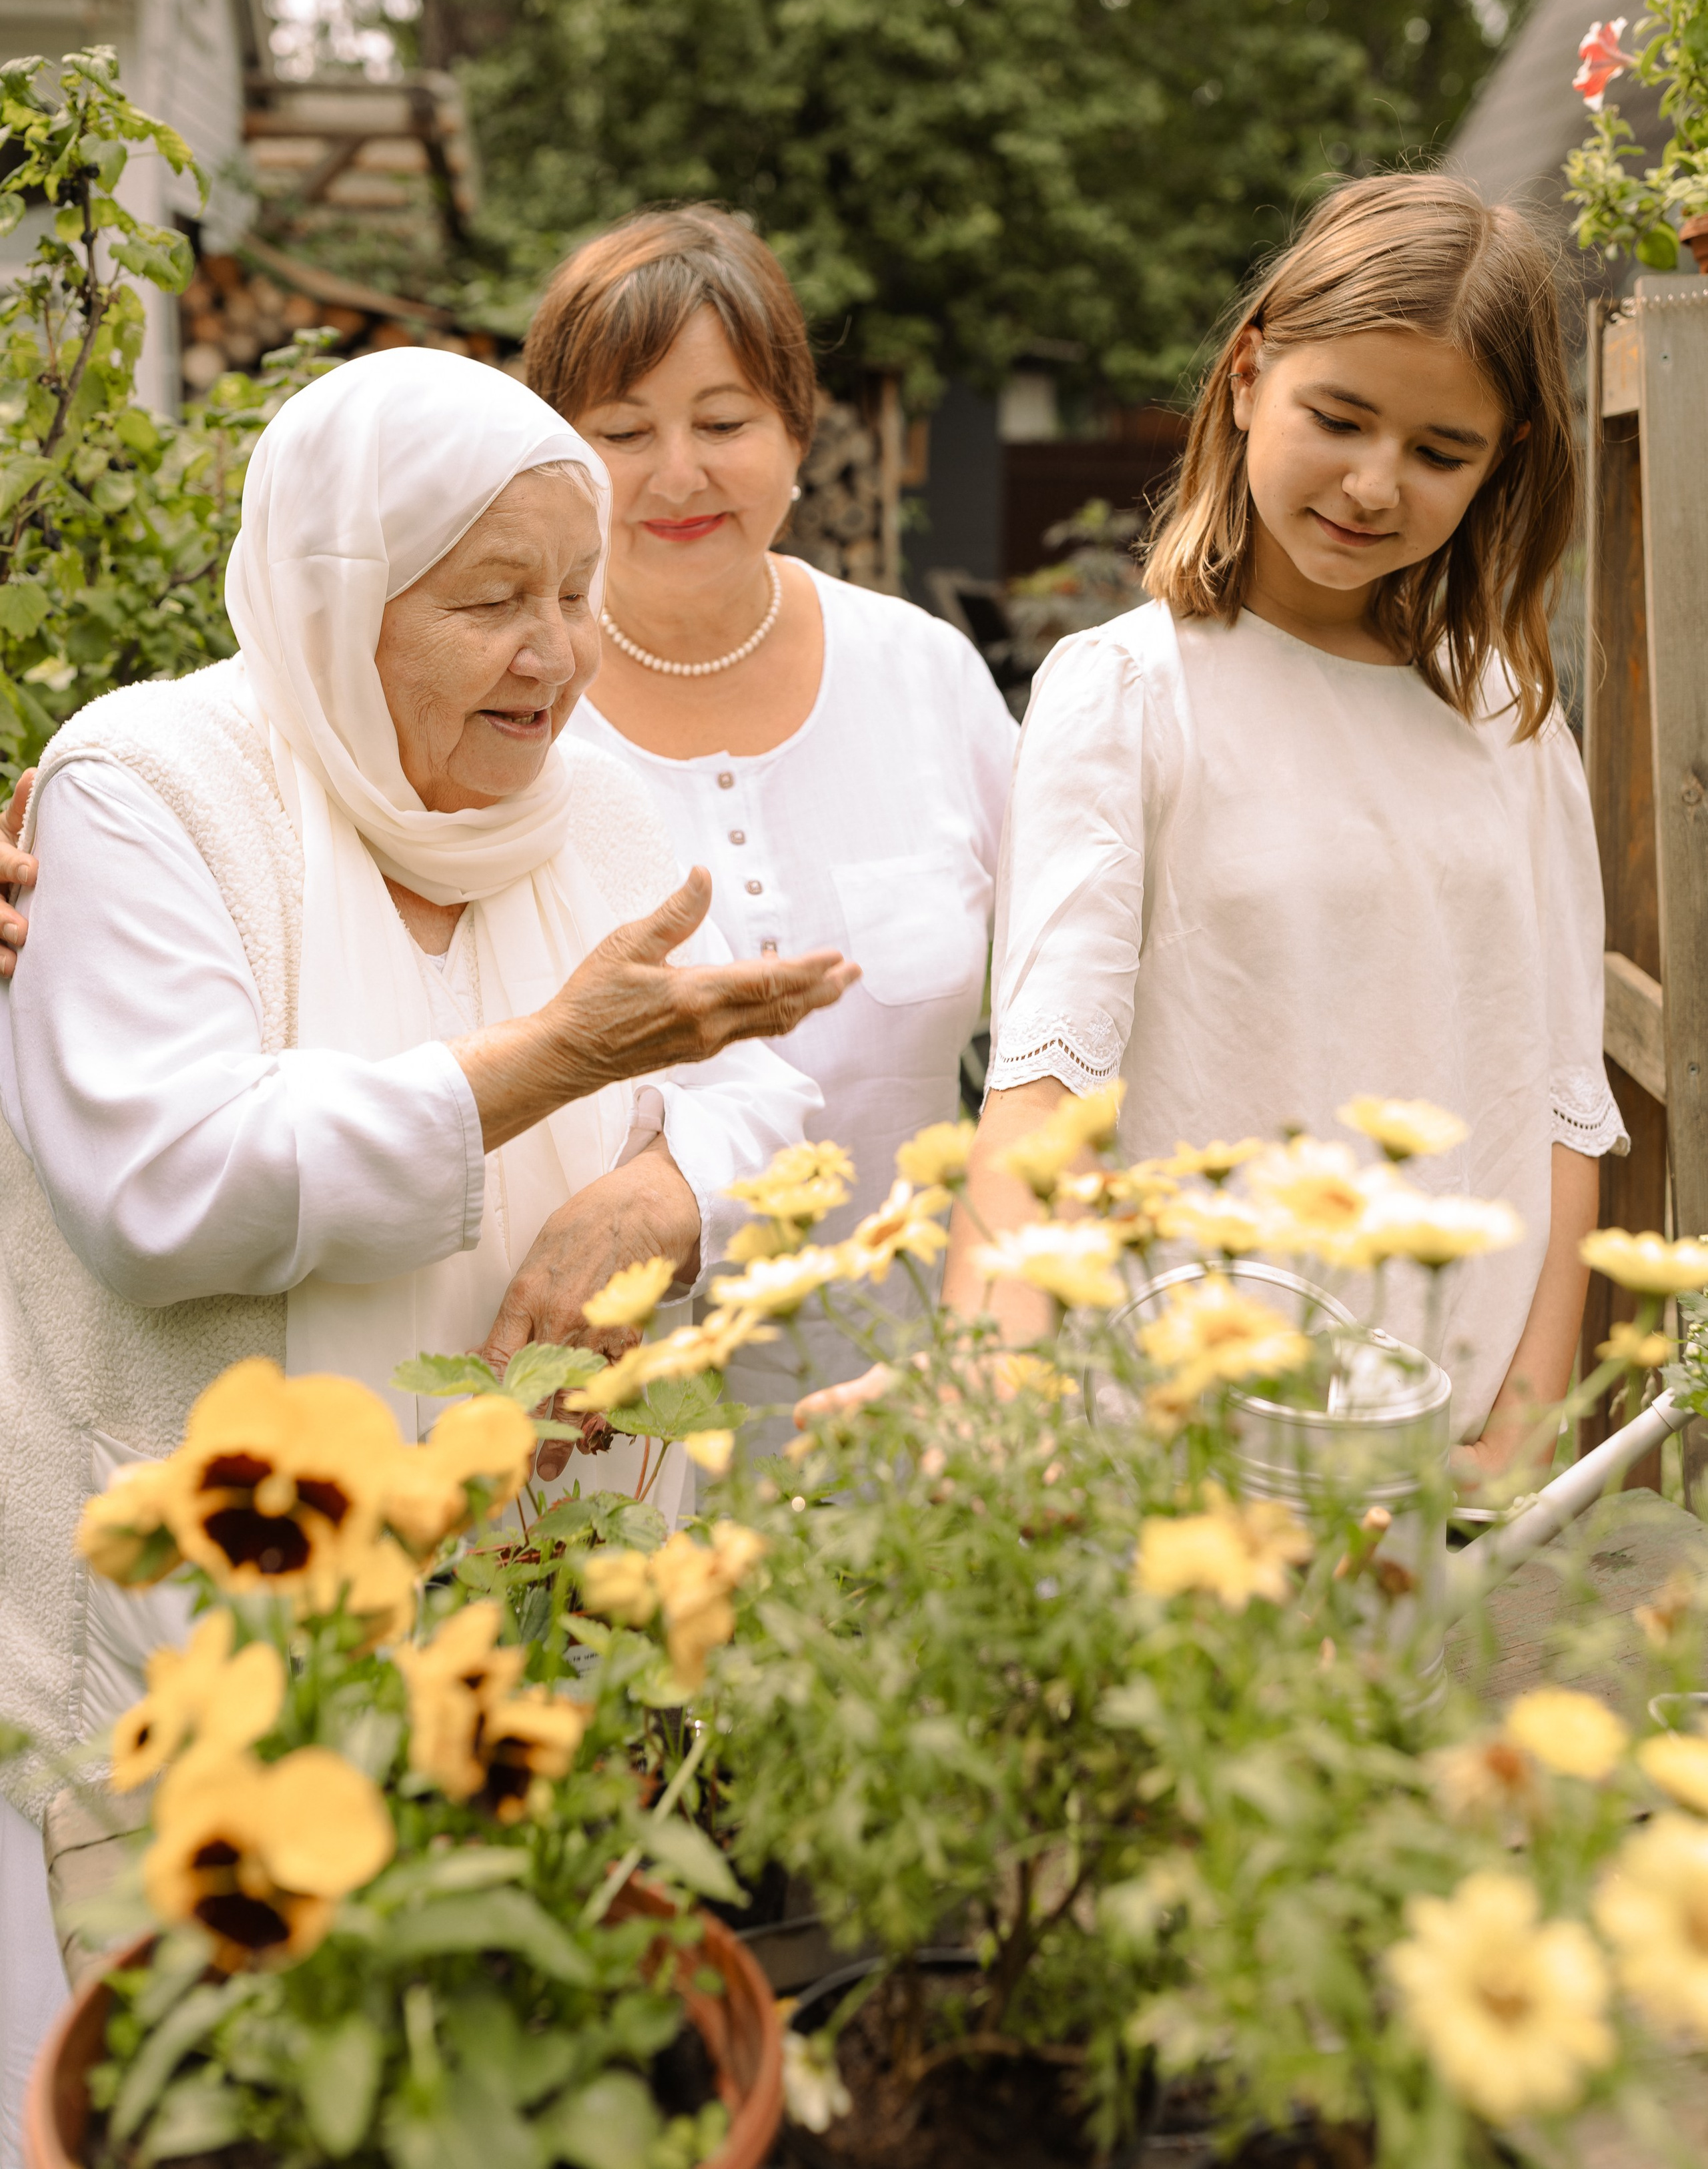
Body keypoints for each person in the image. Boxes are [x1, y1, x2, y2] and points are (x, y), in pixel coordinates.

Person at [0, 349, 847, 2152]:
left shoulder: (599, 804)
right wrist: (551, 1069)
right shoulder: (150, 790)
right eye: (491, 600)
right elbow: (164, 1182)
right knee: (222, 2097)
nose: (558, 654)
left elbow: (762, 1075)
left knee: (501, 2088)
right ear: (335, 595)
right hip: (218, 1639)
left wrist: (662, 1187)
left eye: (574, 591)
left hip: (529, 1633)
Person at [939, 173, 1622, 1477]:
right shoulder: (1127, 694)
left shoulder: (1508, 716)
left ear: (1504, 462)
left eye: (1437, 452)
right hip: (1195, 1452)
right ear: (1249, 375)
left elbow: (1557, 1099)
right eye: (1339, 417)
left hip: (1449, 1467)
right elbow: (1044, 1088)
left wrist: (1517, 1440)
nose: (1373, 485)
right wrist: (990, 1412)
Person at [525, 207, 1017, 1410]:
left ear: (798, 431)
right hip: (593, 1421)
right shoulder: (511, 704)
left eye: (725, 421)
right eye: (623, 431)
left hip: (909, 1397)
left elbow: (1081, 986)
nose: (679, 474)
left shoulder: (923, 674)